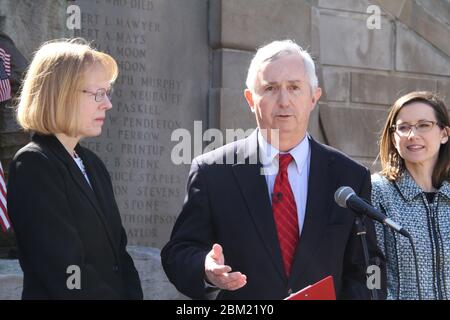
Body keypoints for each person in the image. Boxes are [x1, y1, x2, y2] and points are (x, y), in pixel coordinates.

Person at [161, 39, 386, 300]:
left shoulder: (349, 177)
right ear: (250, 99)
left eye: (294, 87)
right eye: (270, 88)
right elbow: (178, 252)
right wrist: (206, 269)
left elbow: (368, 266)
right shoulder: (212, 171)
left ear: (314, 97)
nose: (284, 100)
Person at [7, 39, 143, 299]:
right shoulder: (34, 165)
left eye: (107, 93)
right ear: (62, 93)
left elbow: (120, 255)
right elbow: (65, 271)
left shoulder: (93, 164)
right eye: (97, 94)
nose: (107, 104)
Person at [372, 91, 450, 300]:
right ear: (393, 137)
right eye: (403, 127)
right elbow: (371, 269)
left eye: (424, 125)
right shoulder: (377, 192)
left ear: (444, 133)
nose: (412, 134)